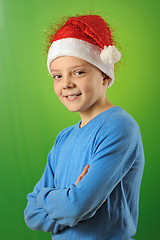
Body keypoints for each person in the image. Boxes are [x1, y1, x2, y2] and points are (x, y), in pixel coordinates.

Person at [24, 14, 144, 240]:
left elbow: (75, 208)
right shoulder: (64, 138)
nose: (66, 84)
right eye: (57, 76)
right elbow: (31, 214)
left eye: (78, 72)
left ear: (105, 76)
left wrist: (46, 197)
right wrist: (68, 199)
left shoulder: (119, 127)